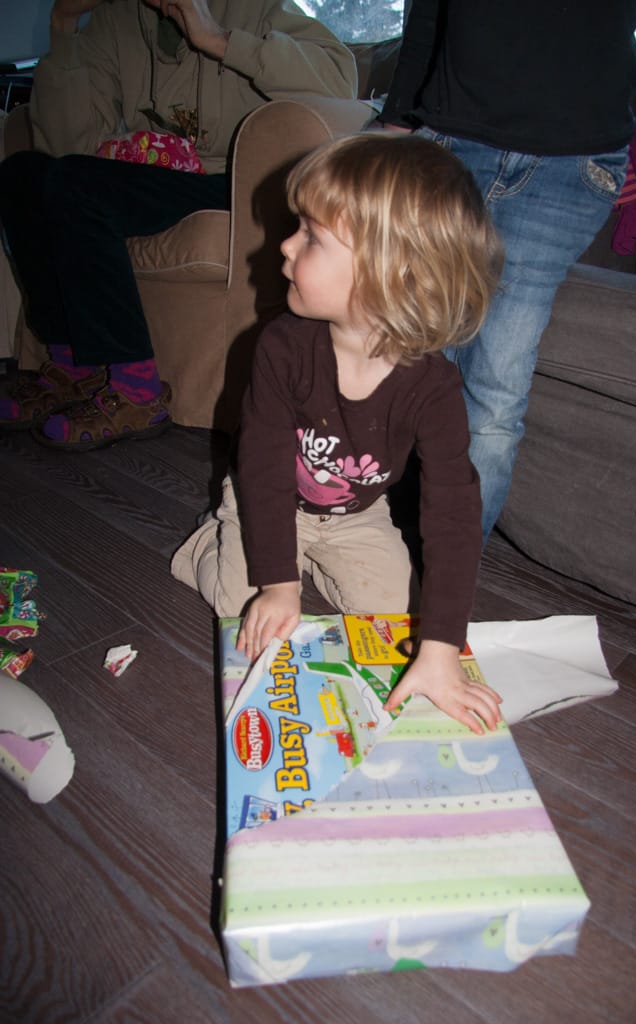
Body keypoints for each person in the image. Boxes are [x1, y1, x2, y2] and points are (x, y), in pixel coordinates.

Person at [171, 132, 504, 732]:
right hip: (267, 499)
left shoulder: (435, 389)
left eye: (311, 236)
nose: (284, 244)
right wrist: (278, 583)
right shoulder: (281, 346)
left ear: (388, 276)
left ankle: (315, 563)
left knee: (399, 618)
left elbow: (454, 513)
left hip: (357, 514)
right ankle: (208, 546)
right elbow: (263, 467)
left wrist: (441, 649)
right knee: (243, 607)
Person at [0, 0, 357, 448]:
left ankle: (137, 389)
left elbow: (342, 81)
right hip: (160, 171)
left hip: (230, 177)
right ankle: (72, 364)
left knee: (75, 185)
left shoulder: (257, 7)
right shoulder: (117, 20)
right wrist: (64, 25)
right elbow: (66, 146)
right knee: (24, 175)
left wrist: (219, 40)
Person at [377, 0, 636, 541]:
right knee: (404, 356)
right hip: (450, 135)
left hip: (571, 157)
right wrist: (396, 117)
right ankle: (380, 542)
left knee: (493, 390)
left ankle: (443, 577)